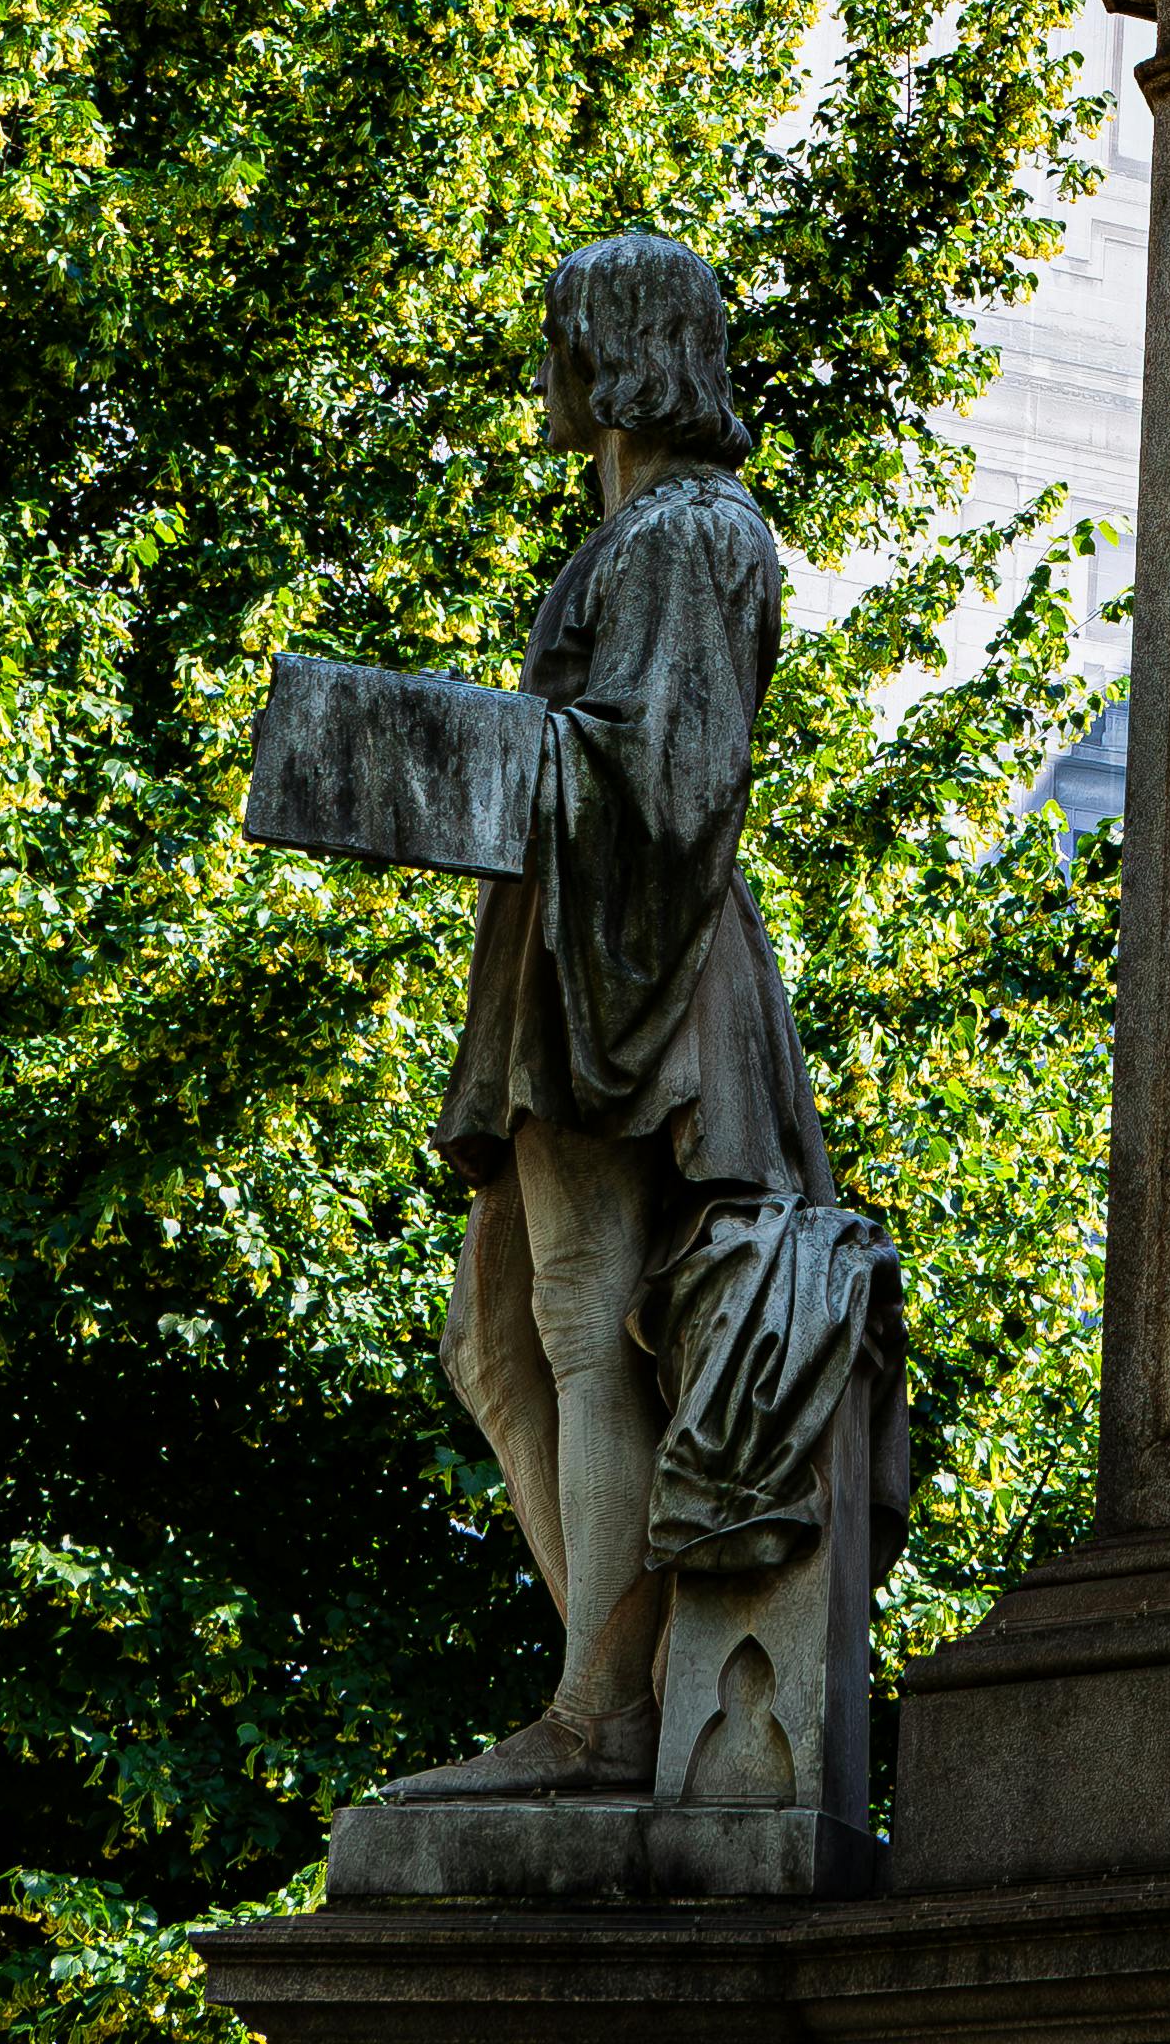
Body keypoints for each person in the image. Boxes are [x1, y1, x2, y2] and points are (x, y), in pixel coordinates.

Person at [396, 230, 901, 1802]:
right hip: (579, 939)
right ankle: (613, 1679)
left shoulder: (691, 531)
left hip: (640, 953)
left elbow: (673, 779)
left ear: (613, 353)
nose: (545, 366)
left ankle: (596, 1716)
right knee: (498, 1336)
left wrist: (457, 749)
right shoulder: (638, 535)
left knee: (574, 1313)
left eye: (563, 335)